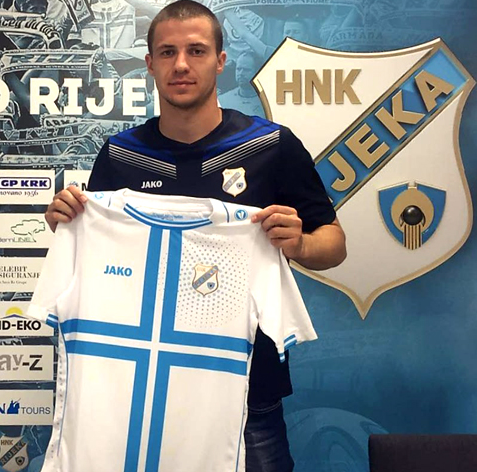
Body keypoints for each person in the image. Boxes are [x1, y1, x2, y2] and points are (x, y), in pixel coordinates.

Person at [43, 1, 346, 471]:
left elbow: (335, 243)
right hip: (136, 390)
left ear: (220, 61)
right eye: (167, 52)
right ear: (149, 64)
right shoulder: (121, 154)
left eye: (196, 51)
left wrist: (302, 244)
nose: (181, 64)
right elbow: (98, 267)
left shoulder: (271, 146)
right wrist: (69, 225)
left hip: (247, 393)